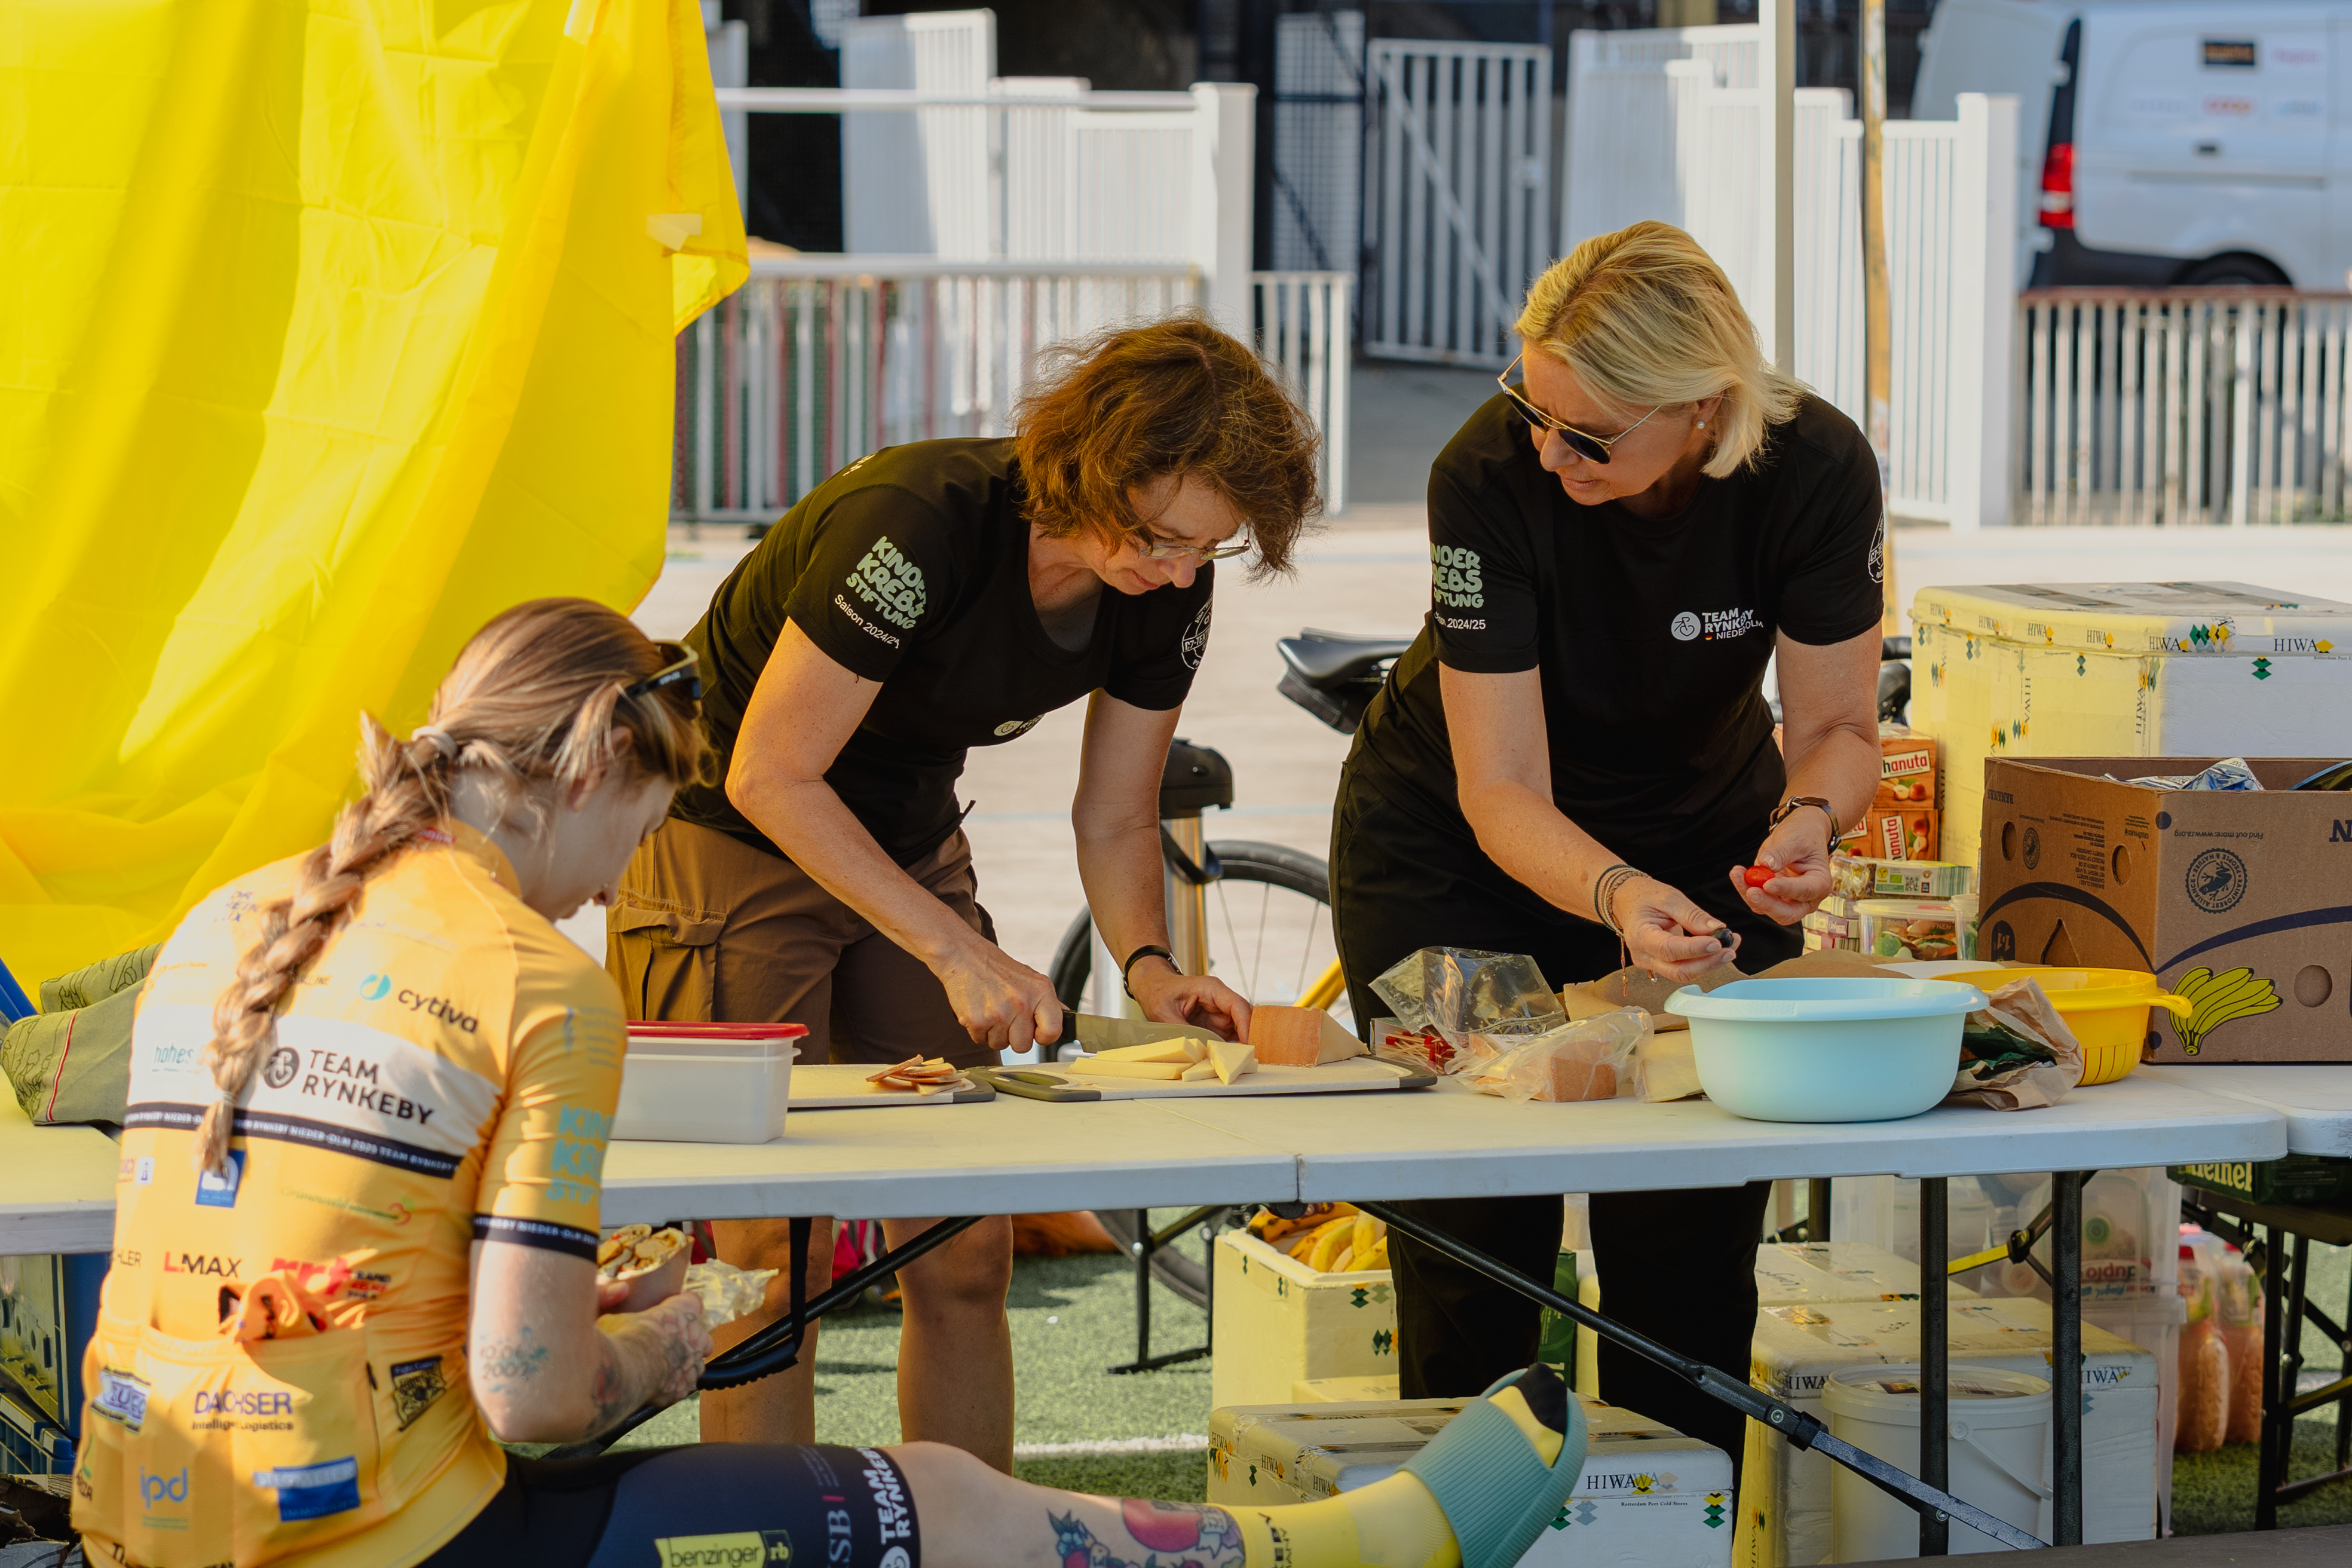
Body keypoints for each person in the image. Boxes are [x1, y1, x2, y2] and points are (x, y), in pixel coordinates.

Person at [75, 596, 1588, 1568]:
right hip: (390, 1539)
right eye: (640, 839)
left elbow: (315, 1250)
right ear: (593, 773)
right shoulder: (536, 979)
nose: (608, 896)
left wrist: (560, 1299)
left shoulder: (226, 919)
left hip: (151, 1521)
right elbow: (533, 1400)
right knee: (945, 1501)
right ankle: (1355, 1551)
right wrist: (668, 1343)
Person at [606, 313, 1323, 1462]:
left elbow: (1117, 811)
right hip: (730, 835)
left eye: (1209, 551)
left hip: (905, 834)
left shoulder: (1166, 584)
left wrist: (1151, 970)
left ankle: (969, 1530)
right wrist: (954, 947)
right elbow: (770, 774)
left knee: (963, 1241)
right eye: (1161, 539)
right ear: (1091, 465)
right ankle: (788, 1536)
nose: (1182, 573)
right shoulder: (917, 520)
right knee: (770, 1256)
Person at [1328, 222, 1885, 1463]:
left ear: (1704, 408)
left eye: (1587, 434)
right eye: (1532, 406)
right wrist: (1619, 895)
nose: (1548, 448)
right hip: (1449, 853)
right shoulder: (1486, 474)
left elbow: (1842, 729)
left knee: (1686, 1237)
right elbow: (1500, 788)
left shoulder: (1816, 465)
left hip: (1703, 839)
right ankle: (1473, 1529)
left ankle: (1673, 1527)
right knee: (1477, 1230)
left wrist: (1806, 823)